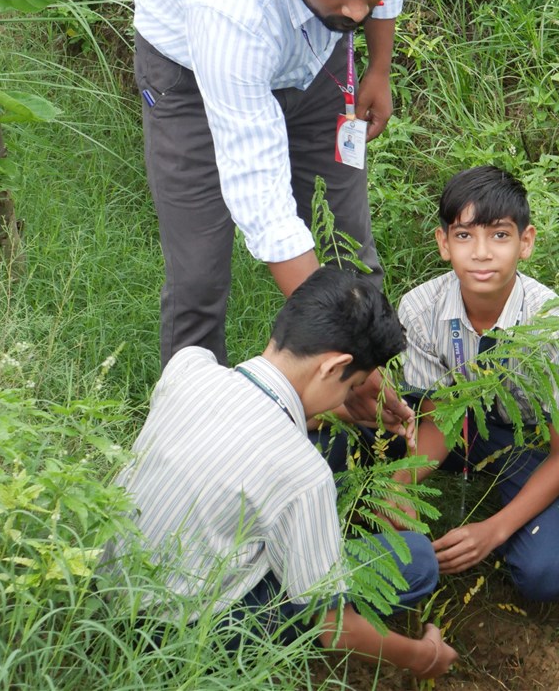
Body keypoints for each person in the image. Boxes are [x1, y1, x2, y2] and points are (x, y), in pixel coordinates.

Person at [132, 0, 414, 367]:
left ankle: (363, 403)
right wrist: (338, 343)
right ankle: (195, 404)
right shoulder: (230, 7)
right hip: (190, 75)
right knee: (199, 277)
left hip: (318, 56)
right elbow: (261, 196)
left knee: (347, 243)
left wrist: (378, 68)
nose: (357, 11)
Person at [105, 269, 456, 680]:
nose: (350, 398)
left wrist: (337, 409)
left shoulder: (188, 367)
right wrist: (424, 656)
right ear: (335, 367)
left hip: (105, 593)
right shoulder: (302, 474)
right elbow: (335, 630)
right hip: (180, 638)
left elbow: (249, 420)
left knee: (321, 455)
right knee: (415, 559)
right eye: (353, 386)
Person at [394, 166, 559, 602]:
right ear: (443, 243)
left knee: (545, 575)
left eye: (500, 235)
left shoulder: (556, 327)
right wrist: (399, 484)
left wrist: (494, 529)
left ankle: (510, 526)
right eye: (464, 235)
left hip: (527, 441)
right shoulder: (420, 310)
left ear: (526, 242)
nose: (481, 253)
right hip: (456, 429)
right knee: (366, 442)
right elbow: (439, 422)